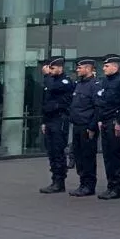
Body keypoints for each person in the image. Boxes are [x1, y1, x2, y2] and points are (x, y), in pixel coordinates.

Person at [95, 55, 120, 200]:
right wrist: (100, 119)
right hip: (105, 122)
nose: (104, 68)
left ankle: (118, 187)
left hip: (116, 122)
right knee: (108, 156)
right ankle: (111, 185)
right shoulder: (104, 82)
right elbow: (102, 102)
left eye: (107, 66)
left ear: (115, 67)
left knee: (116, 155)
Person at [38, 57, 74, 194]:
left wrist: (47, 75)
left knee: (58, 151)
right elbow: (46, 103)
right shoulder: (51, 81)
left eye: (52, 68)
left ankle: (60, 181)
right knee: (51, 151)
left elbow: (53, 88)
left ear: (60, 68)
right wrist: (44, 121)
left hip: (60, 119)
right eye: (49, 69)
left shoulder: (65, 81)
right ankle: (54, 180)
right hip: (50, 120)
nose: (50, 71)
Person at [68, 59, 100, 197]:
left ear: (88, 69)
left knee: (88, 157)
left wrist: (92, 127)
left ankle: (89, 185)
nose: (78, 70)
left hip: (87, 126)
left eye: (80, 68)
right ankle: (83, 183)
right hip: (77, 125)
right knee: (79, 156)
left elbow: (97, 108)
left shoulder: (95, 85)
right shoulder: (79, 84)